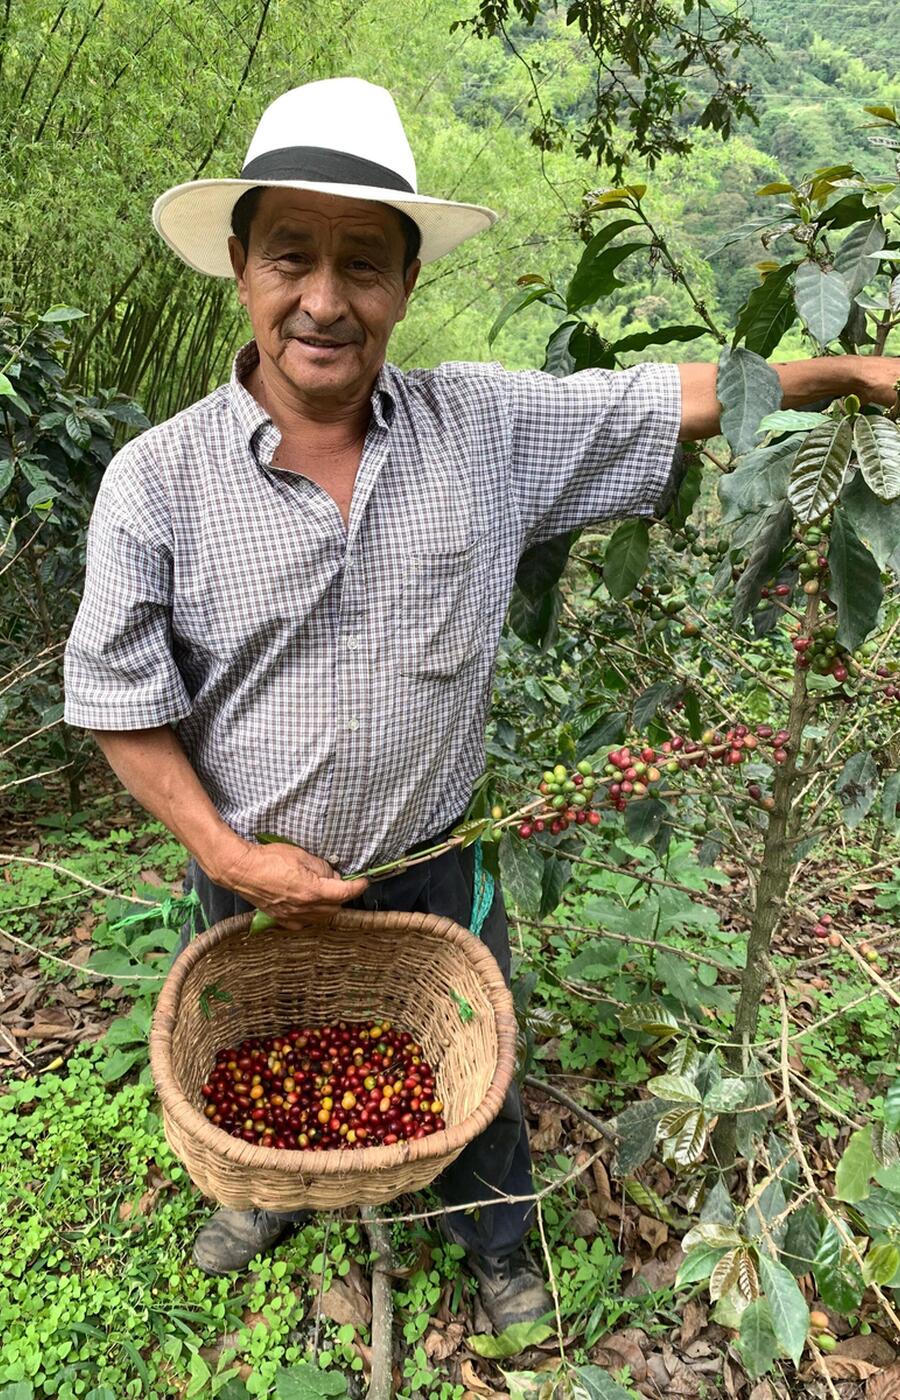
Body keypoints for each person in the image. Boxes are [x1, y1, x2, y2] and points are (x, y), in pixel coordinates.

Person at [63, 77, 900, 1328]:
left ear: (406, 282)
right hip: (244, 872)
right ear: (241, 264)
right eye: (292, 254)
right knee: (259, 1059)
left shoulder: (485, 429)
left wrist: (850, 371)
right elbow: (120, 700)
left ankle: (497, 1235)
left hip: (436, 863)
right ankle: (264, 1193)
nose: (326, 299)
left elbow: (668, 399)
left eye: (365, 261)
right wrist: (226, 851)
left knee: (476, 1067)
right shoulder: (156, 481)